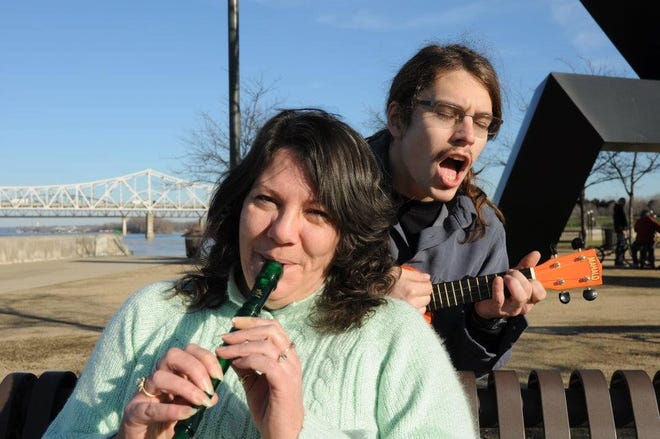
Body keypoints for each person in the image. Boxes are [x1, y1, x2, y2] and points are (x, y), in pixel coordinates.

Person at [44, 109, 477, 438]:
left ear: (347, 234)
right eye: (267, 200)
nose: (282, 232)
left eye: (318, 212)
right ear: (238, 206)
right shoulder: (152, 313)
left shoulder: (394, 335)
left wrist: (292, 432)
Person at [367, 43, 547, 378]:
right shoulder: (325, 194)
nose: (467, 135)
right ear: (397, 119)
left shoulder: (483, 229)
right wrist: (364, 300)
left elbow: (465, 377)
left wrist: (486, 321)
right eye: (447, 113)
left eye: (482, 122)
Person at [613, 197, 628, 266]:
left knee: (621, 245)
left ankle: (619, 260)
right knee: (621, 246)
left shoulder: (618, 209)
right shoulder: (619, 210)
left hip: (620, 230)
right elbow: (619, 221)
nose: (624, 204)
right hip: (620, 230)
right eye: (624, 202)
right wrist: (622, 230)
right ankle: (619, 261)